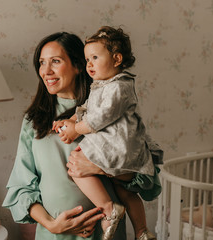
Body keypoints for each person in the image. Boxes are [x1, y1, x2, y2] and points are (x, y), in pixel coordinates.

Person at [2, 32, 127, 240]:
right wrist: (52, 225)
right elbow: (21, 187)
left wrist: (102, 169)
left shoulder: (106, 112)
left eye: (55, 61)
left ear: (79, 66)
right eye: (42, 63)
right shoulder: (34, 121)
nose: (46, 71)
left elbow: (140, 177)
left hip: (103, 233)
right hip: (54, 235)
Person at [52, 26, 164, 240]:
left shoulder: (120, 86)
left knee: (75, 165)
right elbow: (86, 108)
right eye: (87, 60)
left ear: (117, 59)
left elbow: (100, 117)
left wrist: (76, 129)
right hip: (119, 146)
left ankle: (109, 209)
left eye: (94, 57)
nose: (89, 64)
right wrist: (72, 119)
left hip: (117, 145)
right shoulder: (102, 85)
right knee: (126, 191)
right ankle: (141, 230)